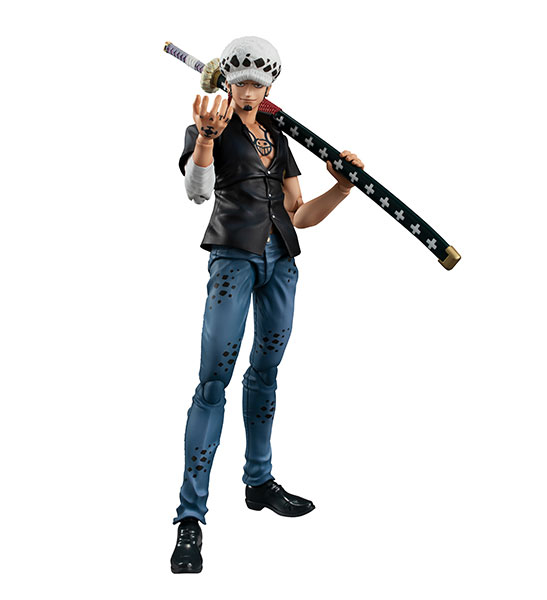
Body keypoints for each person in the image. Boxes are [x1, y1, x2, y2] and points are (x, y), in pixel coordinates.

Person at [170, 36, 364, 574]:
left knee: (266, 373)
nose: (249, 91)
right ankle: (191, 516)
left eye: (258, 82)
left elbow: (299, 213)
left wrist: (341, 190)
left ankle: (259, 481)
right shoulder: (208, 128)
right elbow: (196, 190)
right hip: (233, 260)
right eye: (241, 81)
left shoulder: (277, 136)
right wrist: (206, 139)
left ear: (270, 86)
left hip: (281, 262)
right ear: (227, 83)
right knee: (214, 381)